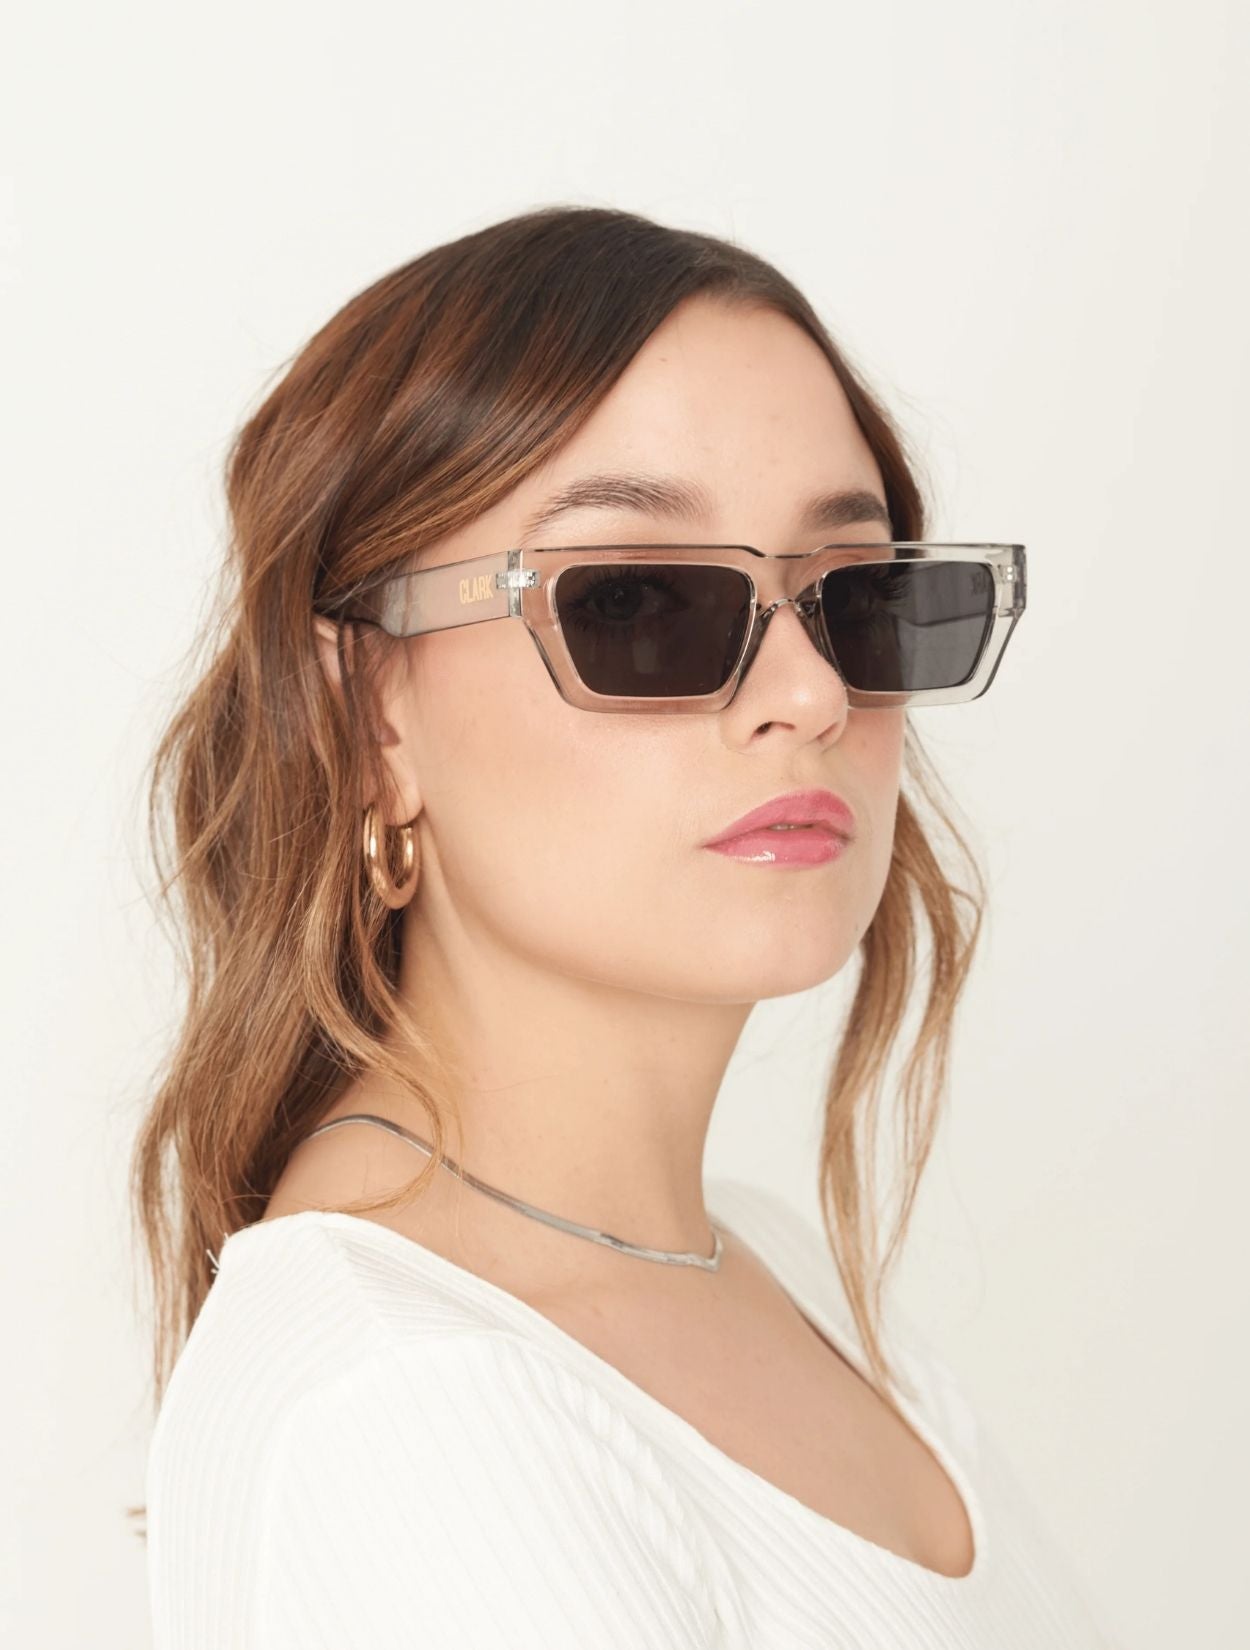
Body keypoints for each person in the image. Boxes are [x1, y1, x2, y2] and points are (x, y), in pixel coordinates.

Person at [134, 205, 1112, 1646]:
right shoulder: (407, 1409)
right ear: (366, 714)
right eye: (639, 604)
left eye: (854, 598)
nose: (811, 696)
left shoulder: (779, 1272)